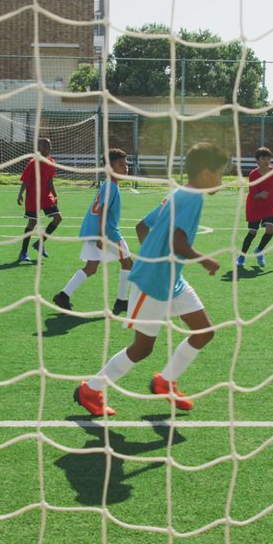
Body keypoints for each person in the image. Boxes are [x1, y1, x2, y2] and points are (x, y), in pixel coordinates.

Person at [74, 142, 228, 416]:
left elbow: (143, 226)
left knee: (204, 332)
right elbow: (177, 240)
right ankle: (91, 389)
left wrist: (152, 254)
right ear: (205, 173)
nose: (222, 180)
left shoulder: (178, 194)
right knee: (142, 348)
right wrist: (204, 260)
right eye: (220, 173)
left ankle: (165, 381)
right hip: (154, 283)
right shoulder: (193, 197)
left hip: (173, 280)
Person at [54, 148, 134, 315]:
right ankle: (121, 301)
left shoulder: (107, 183)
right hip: (107, 232)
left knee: (91, 267)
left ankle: (63, 295)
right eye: (121, 164)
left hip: (91, 229)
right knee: (128, 263)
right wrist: (101, 236)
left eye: (126, 163)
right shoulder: (111, 186)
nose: (125, 167)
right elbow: (103, 210)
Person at [237, 146, 273, 268]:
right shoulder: (253, 174)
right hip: (254, 207)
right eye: (263, 158)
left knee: (270, 230)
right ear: (258, 160)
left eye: (268, 158)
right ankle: (241, 256)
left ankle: (259, 250)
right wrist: (260, 194)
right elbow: (253, 194)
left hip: (269, 207)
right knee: (252, 232)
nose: (266, 160)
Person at [17, 138, 61, 262]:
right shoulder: (33, 163)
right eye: (46, 147)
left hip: (46, 197)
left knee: (58, 218)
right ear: (38, 149)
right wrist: (20, 194)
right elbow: (25, 180)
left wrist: (55, 195)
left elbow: (50, 181)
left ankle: (40, 243)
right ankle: (23, 253)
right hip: (33, 197)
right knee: (32, 223)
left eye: (50, 146)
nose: (49, 149)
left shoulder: (51, 162)